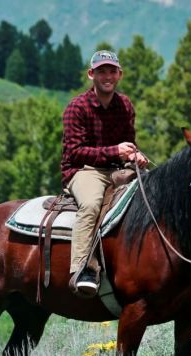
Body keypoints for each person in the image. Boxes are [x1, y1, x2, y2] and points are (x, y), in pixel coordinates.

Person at [62, 50, 149, 298]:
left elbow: (129, 144)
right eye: (101, 71)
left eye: (112, 71)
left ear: (119, 75)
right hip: (83, 170)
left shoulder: (125, 105)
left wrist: (135, 155)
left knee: (154, 191)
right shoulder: (76, 107)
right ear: (92, 74)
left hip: (117, 169)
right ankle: (81, 270)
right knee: (90, 205)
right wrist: (116, 151)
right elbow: (75, 152)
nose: (107, 76)